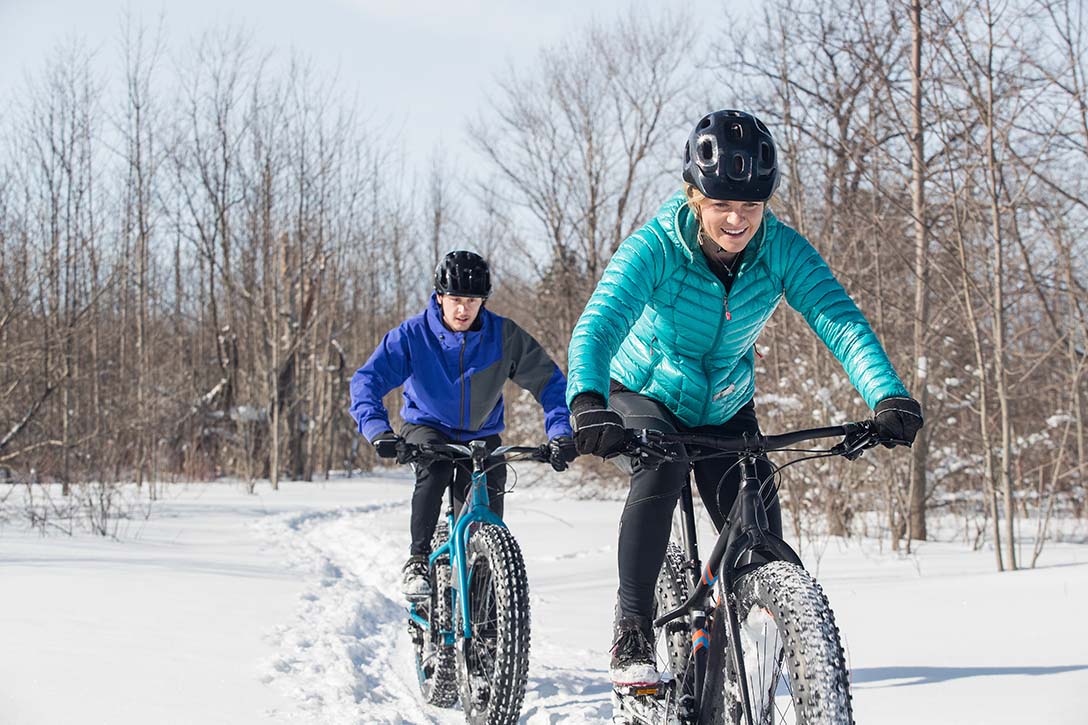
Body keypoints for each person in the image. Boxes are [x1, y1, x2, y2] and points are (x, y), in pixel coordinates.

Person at [565, 110, 924, 686]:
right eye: (721, 205)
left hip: (726, 403)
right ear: (694, 196)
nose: (736, 220)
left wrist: (887, 395)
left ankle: (753, 657)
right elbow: (598, 325)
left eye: (751, 207)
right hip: (643, 393)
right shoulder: (655, 246)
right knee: (662, 470)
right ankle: (632, 627)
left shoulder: (781, 250)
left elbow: (840, 321)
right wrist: (586, 400)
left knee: (760, 536)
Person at [350, 250, 576, 600]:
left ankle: (484, 592)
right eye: (455, 300)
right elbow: (367, 381)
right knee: (435, 469)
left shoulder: (504, 336)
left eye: (472, 301)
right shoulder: (413, 335)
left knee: (484, 508)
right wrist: (378, 431)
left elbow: (551, 384)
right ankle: (419, 558)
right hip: (427, 426)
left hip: (482, 434)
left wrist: (560, 432)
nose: (462, 310)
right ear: (440, 297)